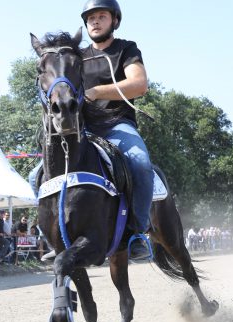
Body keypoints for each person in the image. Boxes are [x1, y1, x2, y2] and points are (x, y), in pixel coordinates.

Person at [79, 0, 153, 259]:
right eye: (91, 18)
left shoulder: (126, 49)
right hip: (83, 132)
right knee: (36, 176)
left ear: (114, 21)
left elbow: (139, 84)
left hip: (117, 125)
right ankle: (54, 236)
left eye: (101, 16)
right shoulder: (77, 57)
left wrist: (97, 91)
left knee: (141, 164)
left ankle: (137, 233)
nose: (95, 22)